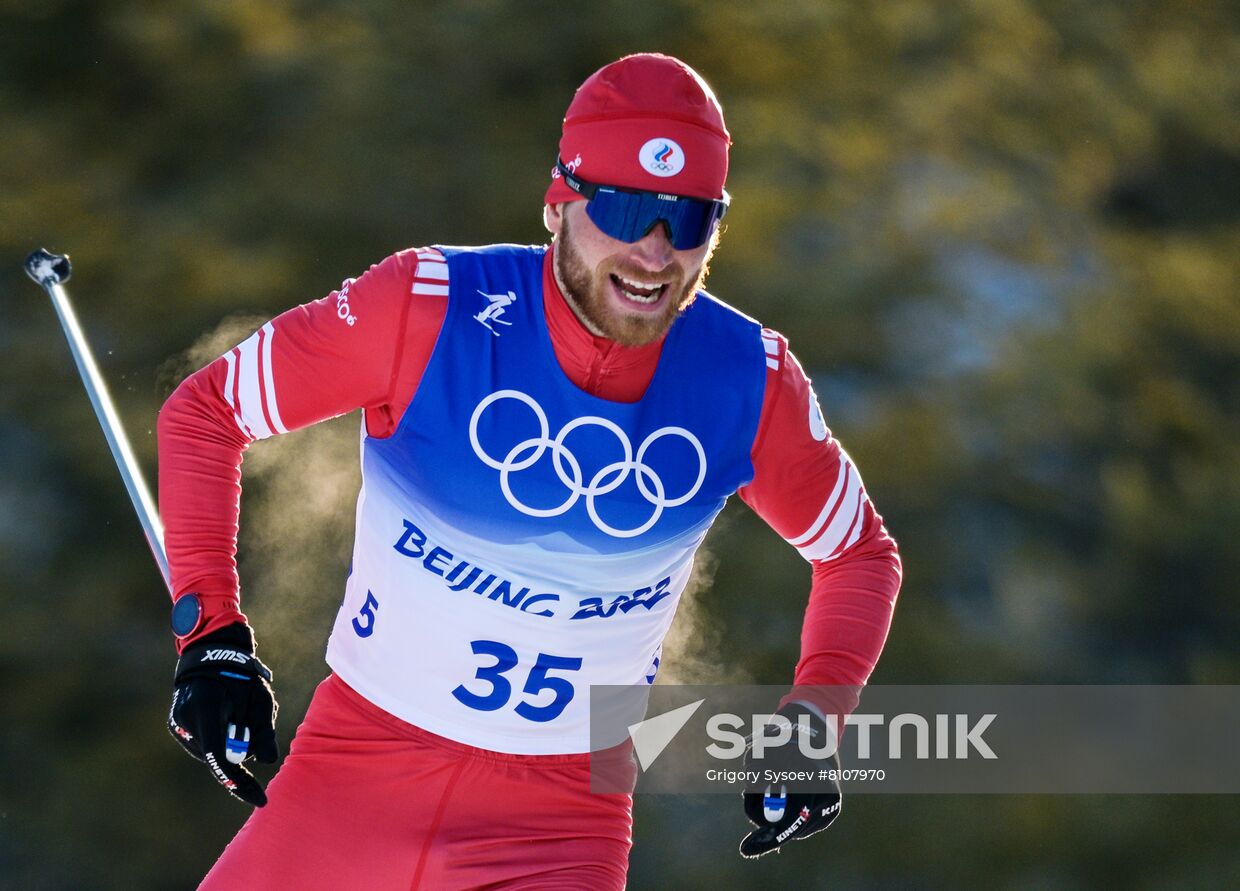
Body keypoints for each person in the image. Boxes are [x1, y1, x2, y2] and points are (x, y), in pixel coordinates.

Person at [158, 52, 901, 889]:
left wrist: (816, 721)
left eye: (687, 221)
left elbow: (858, 554)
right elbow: (206, 411)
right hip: (351, 776)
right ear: (560, 204)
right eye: (624, 209)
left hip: (558, 823)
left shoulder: (748, 379)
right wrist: (209, 637)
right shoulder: (428, 304)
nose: (655, 254)